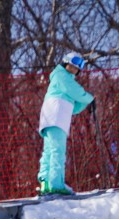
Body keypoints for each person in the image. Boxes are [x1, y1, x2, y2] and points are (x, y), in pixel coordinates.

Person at [37, 51, 95, 196]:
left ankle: (46, 182)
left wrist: (85, 103)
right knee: (57, 150)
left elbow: (73, 107)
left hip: (52, 116)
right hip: (56, 117)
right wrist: (89, 99)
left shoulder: (61, 82)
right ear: (65, 62)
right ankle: (56, 184)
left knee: (50, 150)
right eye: (73, 65)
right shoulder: (61, 75)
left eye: (78, 67)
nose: (75, 69)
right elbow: (75, 90)